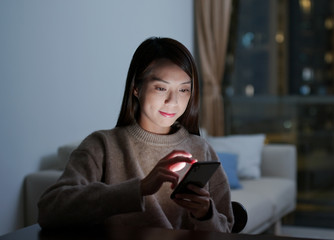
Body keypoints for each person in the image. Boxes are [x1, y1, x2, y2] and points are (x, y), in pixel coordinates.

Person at [37, 37, 234, 232]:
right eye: (161, 88)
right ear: (136, 88)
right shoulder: (102, 145)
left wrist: (206, 214)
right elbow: (49, 211)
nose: (173, 101)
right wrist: (139, 188)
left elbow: (227, 230)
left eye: (184, 90)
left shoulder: (201, 148)